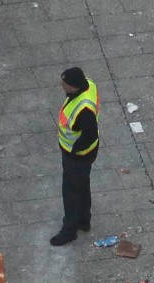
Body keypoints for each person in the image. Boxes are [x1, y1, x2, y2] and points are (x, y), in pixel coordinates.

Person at [50, 66, 99, 246]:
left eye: (65, 84)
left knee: (70, 192)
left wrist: (74, 150)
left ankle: (69, 230)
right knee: (82, 185)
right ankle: (84, 219)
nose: (62, 86)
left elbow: (90, 134)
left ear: (75, 86)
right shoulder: (89, 85)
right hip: (84, 152)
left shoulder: (84, 110)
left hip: (78, 155)